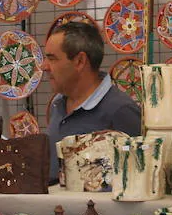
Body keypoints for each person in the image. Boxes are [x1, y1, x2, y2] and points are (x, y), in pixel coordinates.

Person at [42, 22, 142, 181]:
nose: (44, 67)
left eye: (52, 59)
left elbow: (138, 177)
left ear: (80, 61)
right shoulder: (58, 103)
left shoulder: (120, 110)